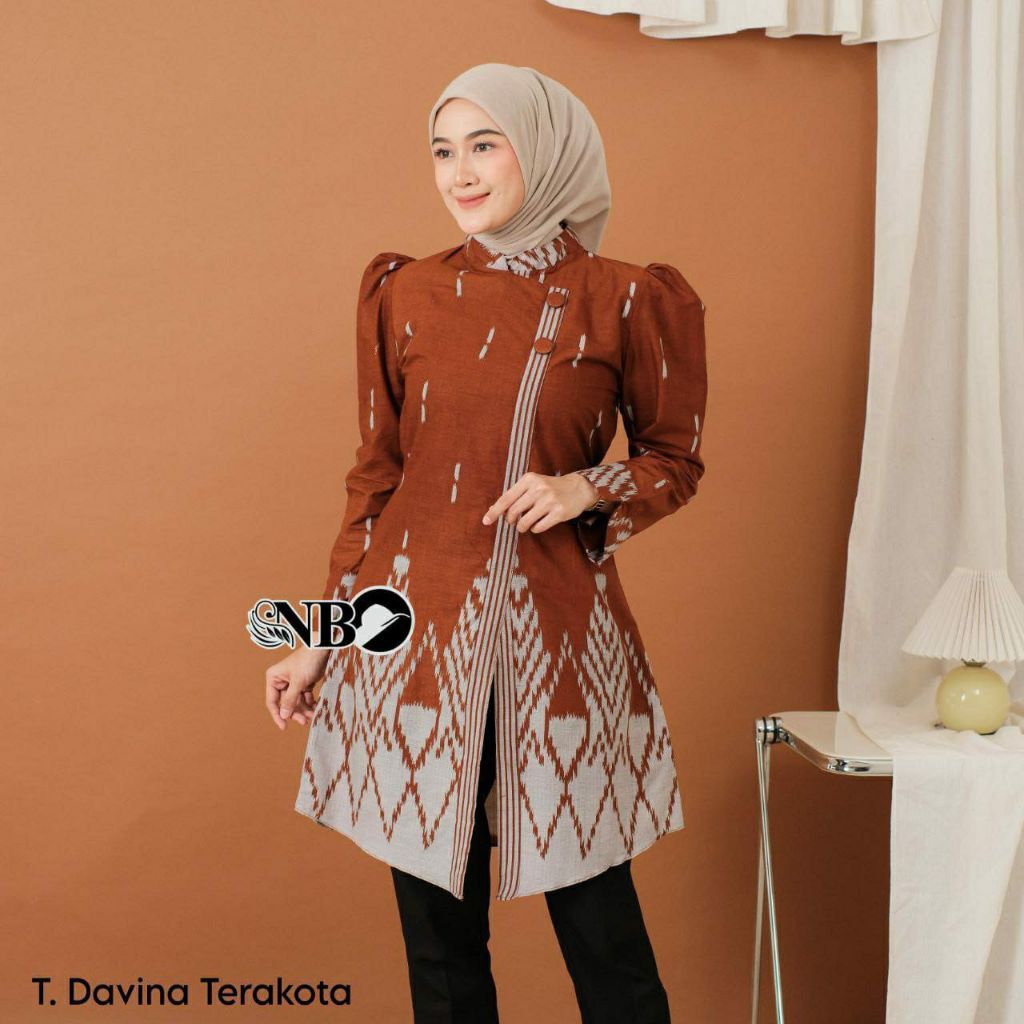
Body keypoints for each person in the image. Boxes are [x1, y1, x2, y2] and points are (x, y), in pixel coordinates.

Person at [266, 62, 708, 1023]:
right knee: (441, 954)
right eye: (442, 151)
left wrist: (588, 485)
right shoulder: (405, 292)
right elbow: (378, 478)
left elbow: (675, 458)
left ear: (544, 153)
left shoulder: (628, 298)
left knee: (607, 945)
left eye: (483, 145)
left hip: (557, 653)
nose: (459, 173)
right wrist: (321, 638)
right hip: (412, 655)